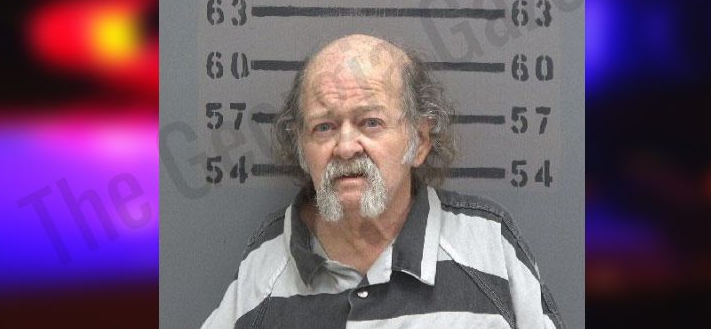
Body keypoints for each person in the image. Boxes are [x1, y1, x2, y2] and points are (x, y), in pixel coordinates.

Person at [201, 34, 564, 328]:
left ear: (419, 140)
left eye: (371, 122)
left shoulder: (488, 245)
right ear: (300, 148)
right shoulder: (265, 261)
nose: (345, 147)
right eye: (324, 127)